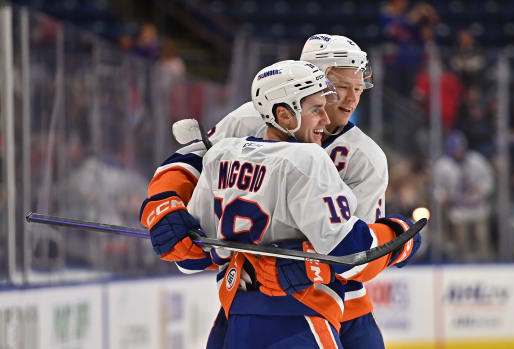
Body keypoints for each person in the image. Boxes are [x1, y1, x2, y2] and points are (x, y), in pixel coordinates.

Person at [140, 35, 417, 348]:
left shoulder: (365, 157)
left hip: (337, 302)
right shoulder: (251, 119)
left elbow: (353, 257)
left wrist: (303, 260)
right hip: (253, 299)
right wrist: (165, 205)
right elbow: (193, 159)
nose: (352, 99)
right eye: (340, 86)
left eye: (358, 87)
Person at [433, 131, 494, 261]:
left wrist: (482, 189)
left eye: (461, 149)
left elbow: (488, 179)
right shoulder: (443, 166)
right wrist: (442, 197)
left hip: (478, 207)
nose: (459, 152)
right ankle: (462, 265)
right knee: (461, 241)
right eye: (456, 149)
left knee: (482, 239)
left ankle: (485, 266)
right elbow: (437, 188)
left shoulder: (476, 160)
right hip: (458, 209)